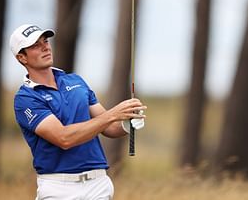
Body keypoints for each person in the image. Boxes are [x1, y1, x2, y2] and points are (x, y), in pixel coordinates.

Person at [10, 24, 146, 200]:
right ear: (22, 57)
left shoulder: (75, 81)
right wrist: (113, 114)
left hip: (98, 184)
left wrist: (128, 123)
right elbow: (64, 138)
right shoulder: (26, 98)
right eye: (36, 45)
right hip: (58, 188)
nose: (45, 47)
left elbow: (109, 128)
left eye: (45, 41)